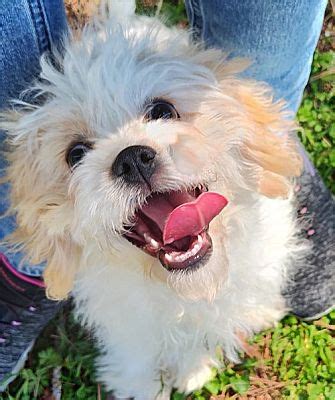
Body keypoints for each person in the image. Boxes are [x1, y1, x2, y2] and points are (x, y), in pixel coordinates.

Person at [0, 0, 334, 392]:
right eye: (77, 154)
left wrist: (270, 159)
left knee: (265, 44)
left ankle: (285, 155)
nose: (134, 158)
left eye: (161, 112)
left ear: (245, 127)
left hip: (252, 153)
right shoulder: (109, 295)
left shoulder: (265, 224)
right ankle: (25, 271)